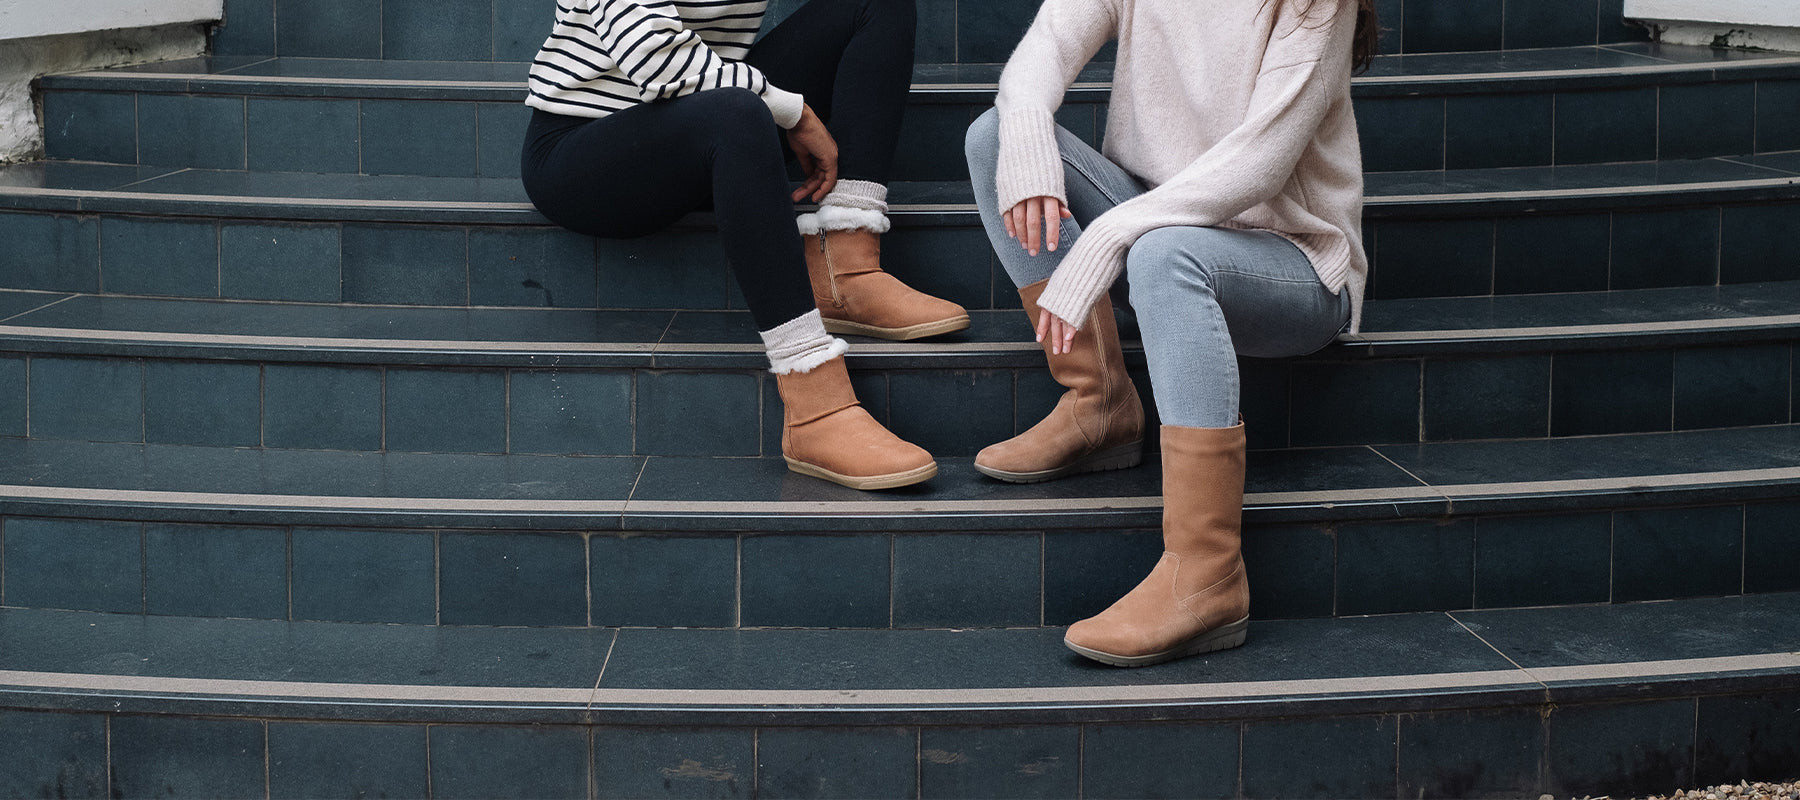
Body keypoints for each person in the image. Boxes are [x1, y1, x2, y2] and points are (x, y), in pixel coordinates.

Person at [965, 0, 1378, 665]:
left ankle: (1207, 575)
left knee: (1165, 252)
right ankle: (1099, 401)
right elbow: (1046, 46)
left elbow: (1259, 167)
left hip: (1291, 264)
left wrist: (1110, 233)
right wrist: (1029, 130)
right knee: (997, 136)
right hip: (1161, 226)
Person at [520, 0, 969, 490]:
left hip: (701, 118)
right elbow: (656, 58)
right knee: (738, 109)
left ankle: (846, 262)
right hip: (585, 151)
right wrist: (794, 113)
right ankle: (813, 403)